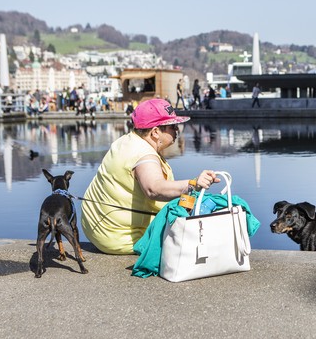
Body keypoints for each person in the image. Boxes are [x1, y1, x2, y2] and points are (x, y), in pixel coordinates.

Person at [81, 98, 220, 254]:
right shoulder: (143, 155)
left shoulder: (127, 141)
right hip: (121, 236)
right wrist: (193, 184)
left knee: (194, 207)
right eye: (172, 126)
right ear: (155, 132)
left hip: (97, 227)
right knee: (205, 221)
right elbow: (154, 188)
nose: (177, 130)